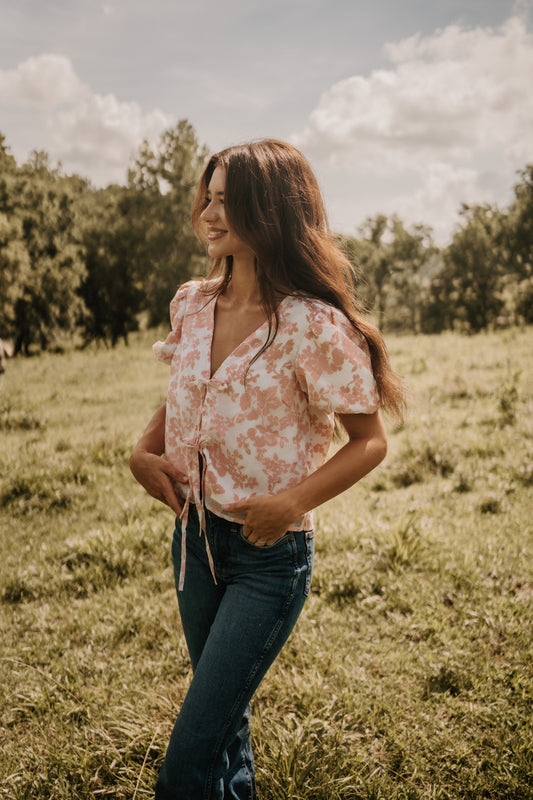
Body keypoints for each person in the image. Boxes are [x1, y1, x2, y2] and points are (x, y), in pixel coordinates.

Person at [129, 139, 405, 800]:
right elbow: (187, 391)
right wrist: (144, 451)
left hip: (267, 556)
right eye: (209, 197)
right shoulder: (192, 304)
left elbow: (369, 442)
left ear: (271, 211)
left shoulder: (312, 324)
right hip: (193, 540)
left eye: (229, 200)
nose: (209, 213)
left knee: (187, 765)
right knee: (226, 730)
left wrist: (290, 503)